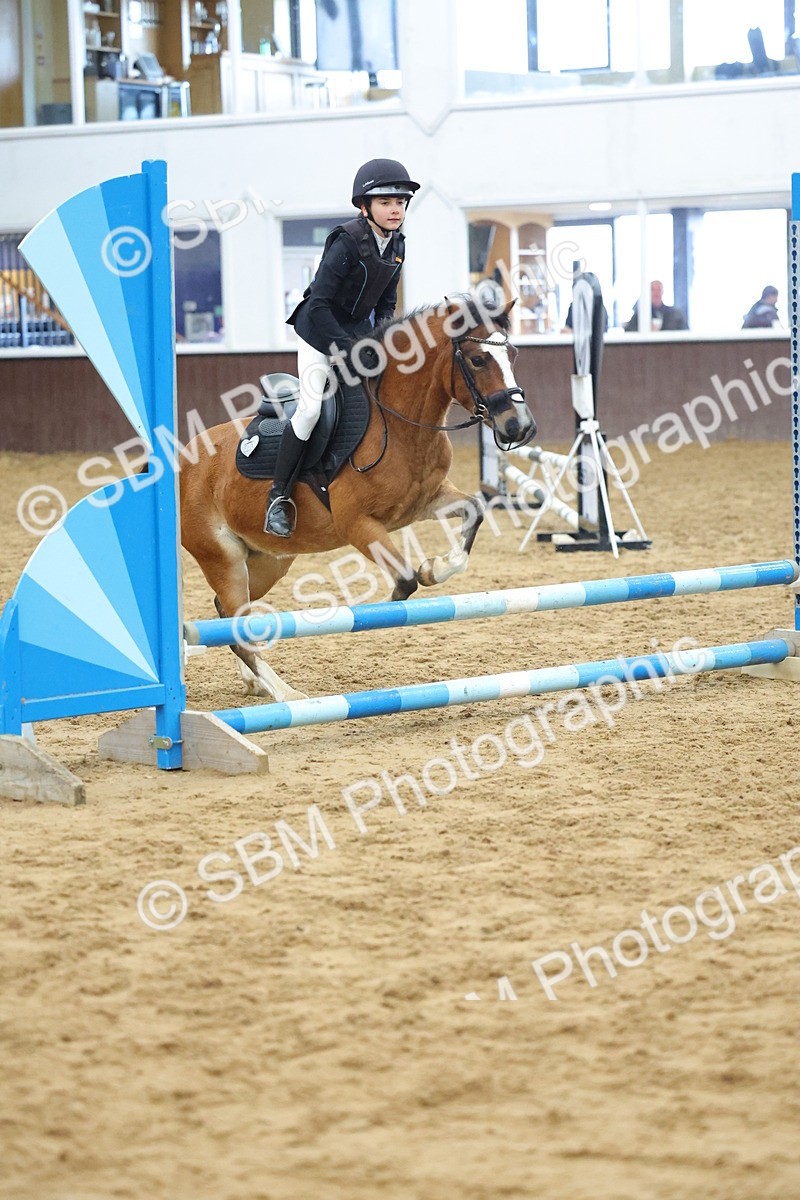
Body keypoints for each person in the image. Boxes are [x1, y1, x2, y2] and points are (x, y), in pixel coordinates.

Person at [264, 157, 420, 538]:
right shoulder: (346, 240)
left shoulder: (397, 244)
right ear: (364, 207)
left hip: (357, 336)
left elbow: (385, 304)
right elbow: (318, 304)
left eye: (400, 200)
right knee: (311, 409)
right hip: (319, 332)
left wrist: (379, 341)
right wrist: (347, 348)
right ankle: (278, 497)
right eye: (385, 201)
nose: (395, 208)